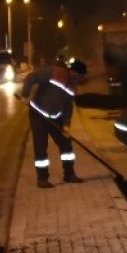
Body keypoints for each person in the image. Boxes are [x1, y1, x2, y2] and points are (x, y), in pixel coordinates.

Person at [16, 59, 87, 188]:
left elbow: (68, 107)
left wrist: (66, 124)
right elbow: (32, 77)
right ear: (73, 71)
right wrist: (25, 94)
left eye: (81, 78)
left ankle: (69, 174)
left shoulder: (72, 87)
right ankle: (42, 179)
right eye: (79, 76)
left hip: (56, 118)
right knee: (41, 147)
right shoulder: (54, 72)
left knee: (66, 146)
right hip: (38, 114)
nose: (79, 80)